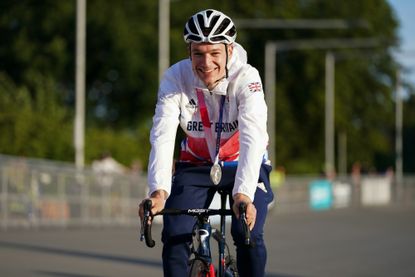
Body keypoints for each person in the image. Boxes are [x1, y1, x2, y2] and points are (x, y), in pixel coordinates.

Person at [139, 9, 274, 277]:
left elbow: (253, 135)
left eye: (214, 53)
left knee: (246, 232)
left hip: (241, 163)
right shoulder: (175, 77)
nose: (206, 62)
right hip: (196, 164)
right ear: (189, 51)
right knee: (175, 233)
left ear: (230, 50)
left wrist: (243, 193)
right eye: (198, 53)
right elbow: (163, 134)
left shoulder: (247, 78)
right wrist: (158, 192)